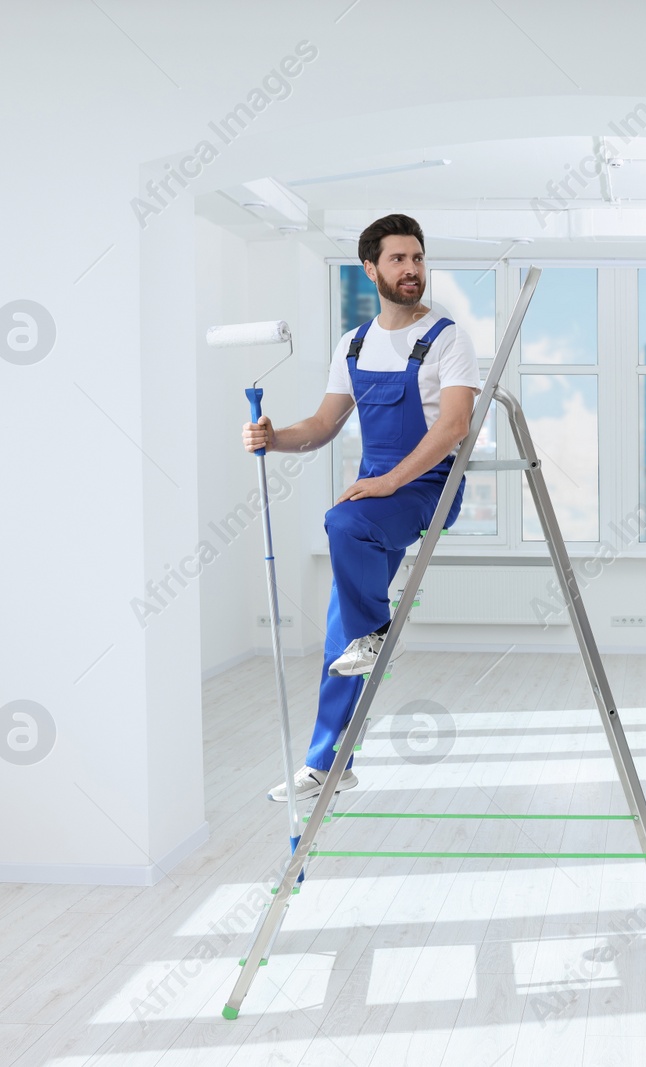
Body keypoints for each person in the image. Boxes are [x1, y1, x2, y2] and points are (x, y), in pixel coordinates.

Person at [241, 213, 478, 801]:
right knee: (338, 639)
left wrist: (390, 481)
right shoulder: (354, 344)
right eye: (398, 259)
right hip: (377, 489)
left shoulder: (448, 338)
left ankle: (376, 630)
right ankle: (330, 762)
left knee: (341, 519)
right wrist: (273, 438)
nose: (411, 270)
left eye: (418, 258)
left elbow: (453, 428)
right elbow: (322, 426)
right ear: (370, 268)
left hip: (427, 486)